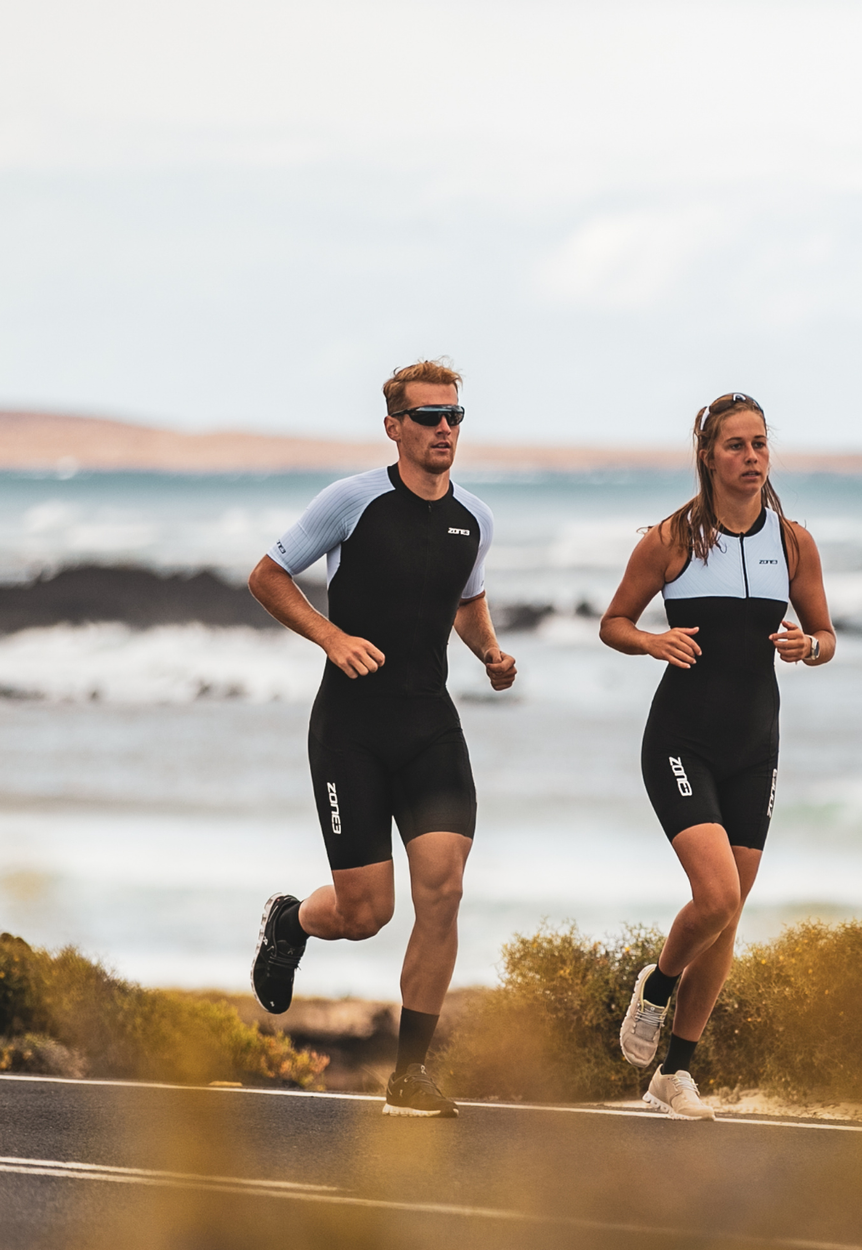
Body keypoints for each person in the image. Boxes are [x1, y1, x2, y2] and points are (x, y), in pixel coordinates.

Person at [245, 359, 517, 1119]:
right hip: (352, 731)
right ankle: (289, 921)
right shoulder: (351, 502)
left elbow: (467, 596)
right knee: (367, 914)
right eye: (428, 417)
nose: (443, 430)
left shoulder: (475, 519)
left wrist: (489, 653)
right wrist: (331, 638)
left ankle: (410, 1075)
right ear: (393, 425)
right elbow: (267, 576)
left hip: (430, 726)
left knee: (445, 888)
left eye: (454, 417)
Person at [600, 392, 835, 1120]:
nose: (752, 457)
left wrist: (808, 647)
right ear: (709, 455)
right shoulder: (670, 540)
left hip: (754, 747)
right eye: (735, 445)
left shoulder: (793, 543)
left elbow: (827, 636)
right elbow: (613, 622)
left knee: (728, 918)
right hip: (681, 740)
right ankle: (659, 985)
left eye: (760, 443)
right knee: (719, 897)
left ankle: (674, 1074)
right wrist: (651, 641)